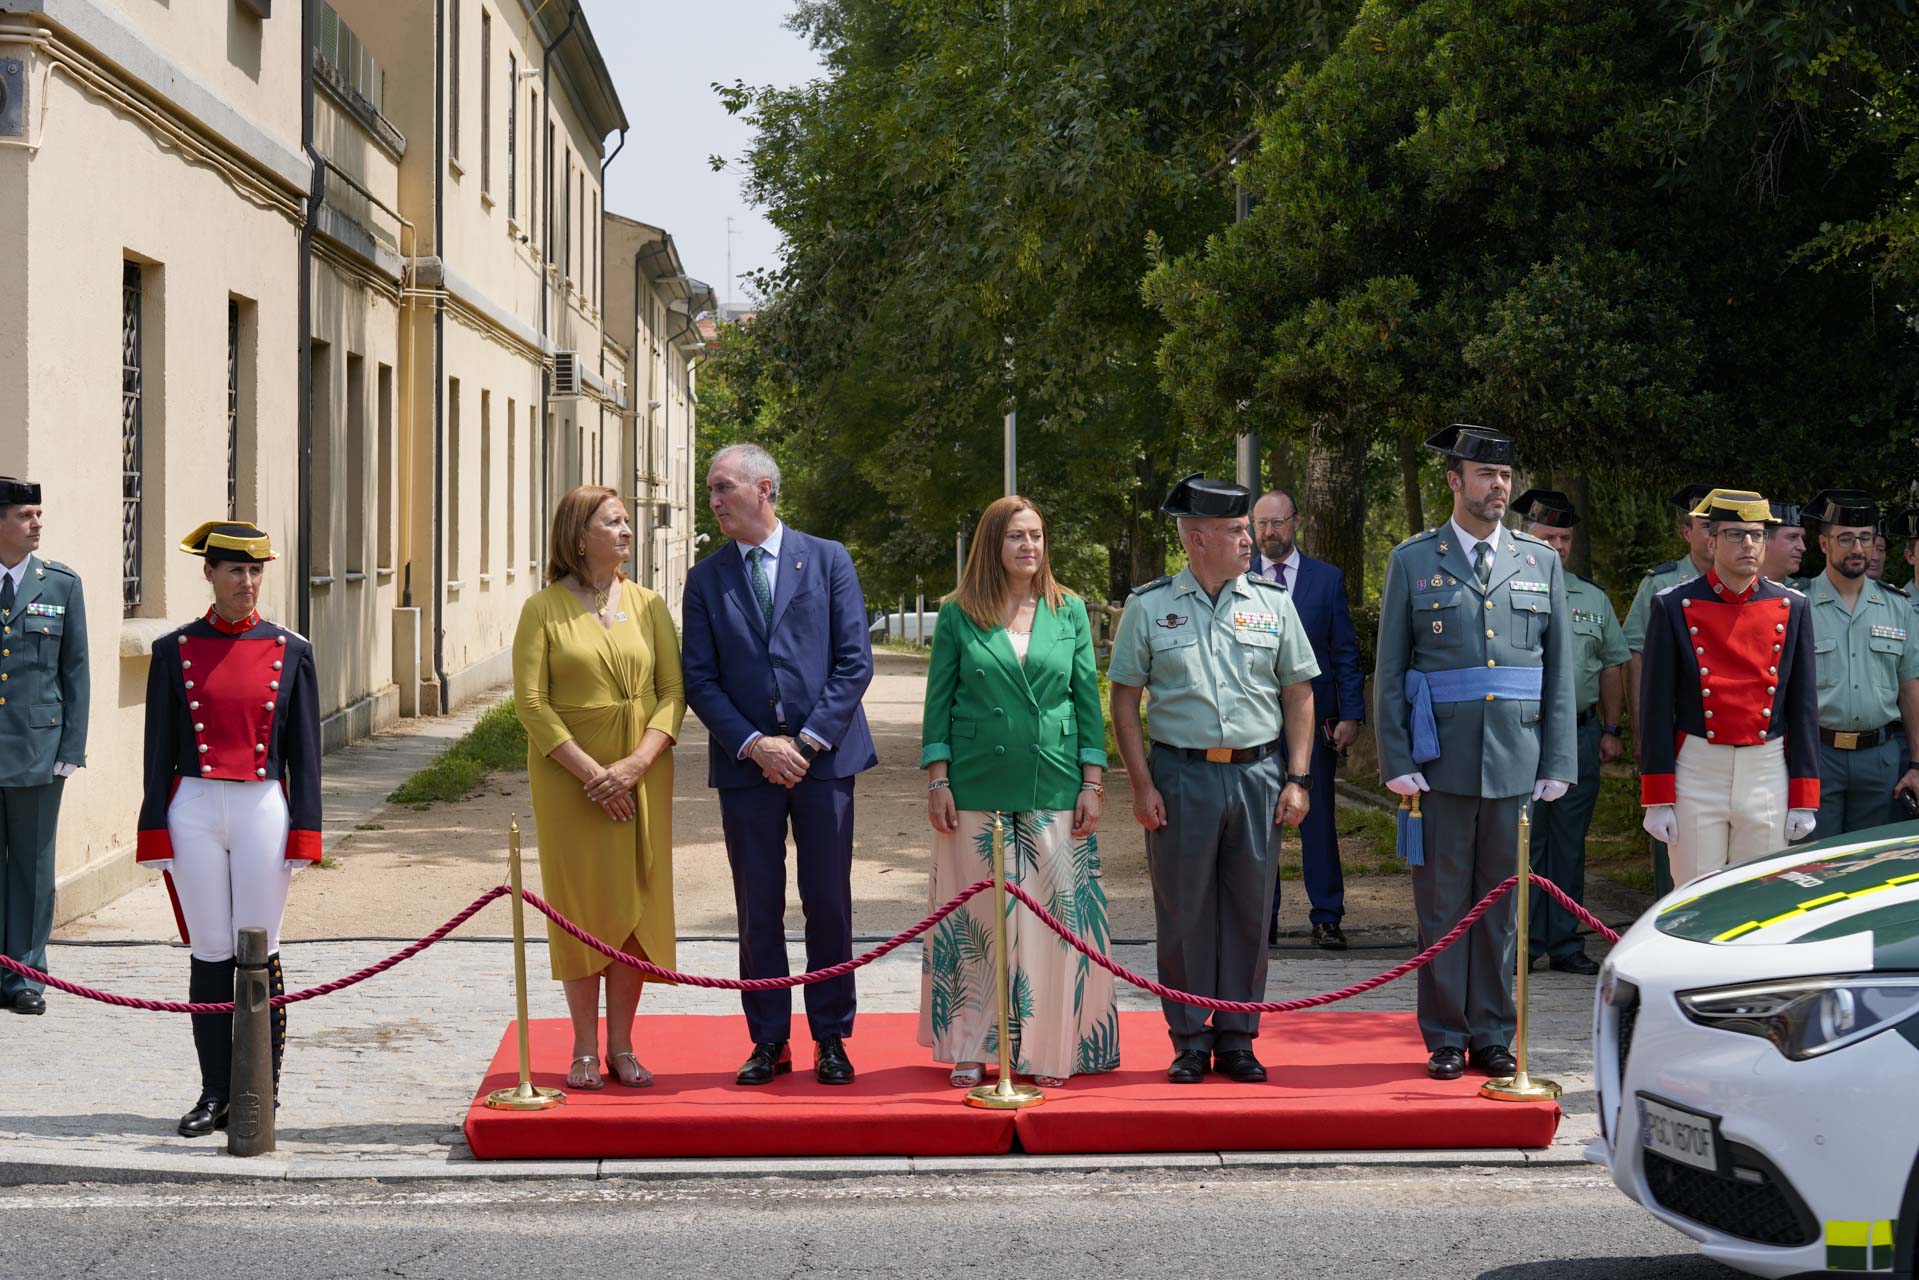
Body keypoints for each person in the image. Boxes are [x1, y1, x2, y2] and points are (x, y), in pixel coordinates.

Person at [1374, 426, 1576, 1081]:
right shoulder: (1412, 560)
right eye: (1484, 475)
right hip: (1438, 765)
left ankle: (1491, 1033)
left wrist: (1556, 760)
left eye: (1505, 476)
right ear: (1453, 481)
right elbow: (1389, 669)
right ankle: (1443, 1034)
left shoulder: (1538, 560)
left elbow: (1559, 674)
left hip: (1514, 761)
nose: (1498, 487)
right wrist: (1396, 757)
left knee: (1501, 907)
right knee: (1440, 908)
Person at [1109, 473, 1317, 1085]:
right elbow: (1125, 703)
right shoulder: (1149, 607)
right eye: (1235, 530)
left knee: (1251, 911)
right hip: (1182, 775)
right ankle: (1190, 1038)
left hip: (1257, 774)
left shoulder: (1274, 604)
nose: (1250, 539)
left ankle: (1238, 1036)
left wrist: (1297, 777)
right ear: (1197, 540)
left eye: (1247, 527)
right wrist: (1141, 784)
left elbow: (1299, 694)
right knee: (1184, 911)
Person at [683, 443, 877, 1087]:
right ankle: (768, 1039)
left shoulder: (827, 559)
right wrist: (757, 744)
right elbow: (700, 680)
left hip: (824, 763)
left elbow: (854, 661)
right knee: (757, 905)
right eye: (710, 490)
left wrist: (808, 740)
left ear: (764, 487)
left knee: (828, 902)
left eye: (723, 487)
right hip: (747, 768)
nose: (713, 501)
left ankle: (831, 1037)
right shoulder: (706, 578)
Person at [917, 496, 1115, 1089]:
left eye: (1036, 535)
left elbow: (1086, 700)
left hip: (1052, 777)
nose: (1029, 546)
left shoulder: (1069, 609)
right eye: (1015, 536)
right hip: (976, 781)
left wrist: (1093, 780)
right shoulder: (958, 612)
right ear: (992, 544)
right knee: (975, 917)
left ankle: (1047, 1048)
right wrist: (938, 777)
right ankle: (969, 1045)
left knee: (1051, 922)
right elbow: (939, 704)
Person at [135, 522, 320, 1137]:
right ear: (209, 574)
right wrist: (154, 826)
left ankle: (261, 1090)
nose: (248, 582)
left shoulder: (291, 648)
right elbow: (158, 749)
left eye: (256, 570)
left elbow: (306, 754)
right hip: (192, 806)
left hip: (262, 804)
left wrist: (307, 832)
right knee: (209, 950)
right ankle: (214, 1092)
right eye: (235, 570)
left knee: (258, 948)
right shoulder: (173, 649)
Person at [513, 486, 684, 1091]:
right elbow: (531, 704)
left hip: (642, 774)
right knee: (581, 906)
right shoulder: (543, 609)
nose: (625, 531)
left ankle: (622, 1045)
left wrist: (636, 765)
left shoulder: (650, 604)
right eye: (612, 522)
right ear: (578, 535)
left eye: (625, 522)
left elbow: (672, 692)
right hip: (571, 783)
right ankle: (583, 1047)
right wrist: (594, 775)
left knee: (634, 902)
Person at [1638, 490, 1821, 885]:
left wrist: (1804, 795)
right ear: (1711, 540)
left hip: (1767, 770)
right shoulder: (1672, 605)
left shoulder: (1793, 606)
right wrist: (1657, 794)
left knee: (1760, 900)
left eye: (1756, 535)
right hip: (1697, 770)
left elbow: (1803, 706)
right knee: (1694, 899)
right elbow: (1655, 707)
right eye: (1735, 535)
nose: (1749, 545)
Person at [1509, 490, 1623, 977]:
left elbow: (1612, 664)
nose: (1558, 545)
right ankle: (1523, 941)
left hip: (1579, 734)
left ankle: (1566, 940)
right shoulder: (1506, 587)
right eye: (1548, 536)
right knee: (1525, 841)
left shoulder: (1592, 598)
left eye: (1565, 537)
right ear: (1525, 538)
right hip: (1522, 735)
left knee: (1570, 842)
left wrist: (1612, 728)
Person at [1251, 488, 1364, 950]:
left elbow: (1344, 652)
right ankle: (1263, 919)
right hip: (1253, 718)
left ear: (1296, 522)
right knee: (1259, 822)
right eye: (1261, 524)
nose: (1270, 531)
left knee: (1317, 820)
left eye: (1277, 522)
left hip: (1314, 718)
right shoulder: (1239, 577)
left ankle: (1327, 916)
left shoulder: (1326, 579)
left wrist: (1351, 714)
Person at [0, 477, 88, 1016]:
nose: (37, 523)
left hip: (37, 747)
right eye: (25, 514)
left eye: (39, 514)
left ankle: (25, 975)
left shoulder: (60, 585)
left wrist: (71, 748)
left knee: (32, 867)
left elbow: (75, 669)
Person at [1794, 490, 1919, 837]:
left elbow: (1910, 686)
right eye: (1845, 539)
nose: (1857, 549)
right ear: (1823, 544)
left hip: (1879, 758)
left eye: (1865, 538)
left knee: (1872, 864)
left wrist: (1917, 764)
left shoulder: (1898, 607)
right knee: (1816, 861)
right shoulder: (1797, 606)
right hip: (1819, 755)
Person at [1622, 483, 1711, 897]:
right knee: (1670, 835)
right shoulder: (1661, 586)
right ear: (1686, 533)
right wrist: (1642, 730)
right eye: (1705, 525)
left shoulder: (1754, 585)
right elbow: (1636, 655)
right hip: (1673, 732)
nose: (1714, 535)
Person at [1762, 501, 1806, 588]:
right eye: (1793, 537)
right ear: (1763, 539)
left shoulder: (1806, 596)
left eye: (1802, 538)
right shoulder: (1734, 589)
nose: (1802, 548)